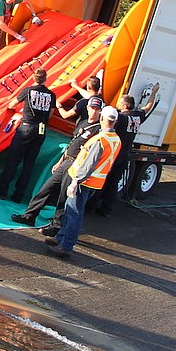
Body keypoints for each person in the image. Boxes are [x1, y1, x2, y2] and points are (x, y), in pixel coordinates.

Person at [12, 97, 103, 227]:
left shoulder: (97, 129)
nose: (94, 111)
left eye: (97, 109)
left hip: (76, 165)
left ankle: (56, 225)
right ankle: (29, 216)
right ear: (87, 108)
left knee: (63, 196)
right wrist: (60, 161)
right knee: (46, 189)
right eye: (92, 108)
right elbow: (72, 143)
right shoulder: (83, 122)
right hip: (67, 160)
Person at [46, 105, 122, 258]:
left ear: (102, 118)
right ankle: (61, 238)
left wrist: (75, 182)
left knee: (74, 213)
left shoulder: (100, 140)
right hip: (94, 183)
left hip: (83, 182)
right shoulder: (116, 140)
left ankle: (66, 245)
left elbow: (89, 164)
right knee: (70, 210)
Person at [0, 68, 57, 202]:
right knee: (29, 163)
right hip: (41, 130)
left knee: (13, 159)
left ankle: (2, 189)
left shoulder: (28, 91)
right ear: (45, 79)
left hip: (26, 127)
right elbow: (50, 114)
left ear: (33, 78)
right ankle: (19, 194)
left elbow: (12, 105)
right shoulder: (51, 95)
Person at [91, 85, 160, 216]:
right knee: (113, 183)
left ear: (124, 105)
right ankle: (106, 210)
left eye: (119, 102)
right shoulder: (138, 116)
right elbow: (148, 106)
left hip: (114, 154)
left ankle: (92, 205)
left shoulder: (121, 118)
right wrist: (154, 93)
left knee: (102, 179)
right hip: (125, 155)